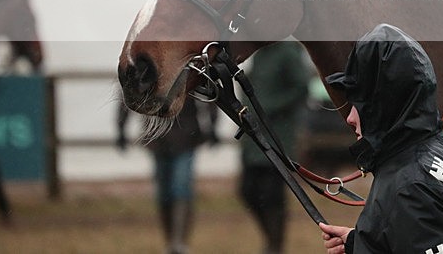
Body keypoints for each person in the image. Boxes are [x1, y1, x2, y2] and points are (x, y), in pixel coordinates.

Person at [318, 24, 443, 254]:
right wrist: (365, 242)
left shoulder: (412, 187)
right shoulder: (440, 148)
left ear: (383, 105)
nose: (350, 117)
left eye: (359, 103)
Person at [117, 96, 217, 254]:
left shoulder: (186, 70)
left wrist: (213, 124)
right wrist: (121, 126)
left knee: (181, 187)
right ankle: (171, 242)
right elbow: (129, 90)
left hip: (185, 136)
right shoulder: (147, 71)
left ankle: (179, 243)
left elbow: (206, 89)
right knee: (164, 193)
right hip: (159, 139)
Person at [239, 40, 313, 254]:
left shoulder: (288, 52)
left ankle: (276, 246)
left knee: (272, 195)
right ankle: (270, 241)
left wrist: (269, 108)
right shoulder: (259, 54)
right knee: (248, 191)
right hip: (254, 140)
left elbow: (301, 89)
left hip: (278, 138)